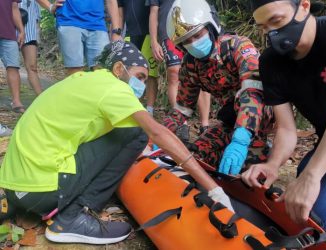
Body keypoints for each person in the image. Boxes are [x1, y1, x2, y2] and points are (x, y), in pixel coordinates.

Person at [0, 41, 233, 245]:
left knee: (127, 133)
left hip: (16, 184)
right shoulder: (114, 88)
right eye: (140, 76)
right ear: (119, 69)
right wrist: (212, 187)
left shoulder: (84, 80)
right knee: (137, 133)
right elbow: (156, 132)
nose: (141, 85)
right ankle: (73, 217)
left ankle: (15, 203)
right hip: (43, 189)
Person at [242, 0, 326, 230]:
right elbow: (286, 129)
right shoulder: (271, 62)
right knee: (302, 211)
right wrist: (273, 164)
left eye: (276, 20)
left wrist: (313, 174)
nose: (271, 32)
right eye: (263, 26)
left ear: (303, 6)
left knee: (315, 206)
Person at [165, 0, 273, 174]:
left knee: (249, 175)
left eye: (197, 35)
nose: (193, 43)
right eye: (186, 41)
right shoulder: (190, 66)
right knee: (196, 155)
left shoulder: (237, 46)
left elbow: (254, 92)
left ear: (211, 27)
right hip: (230, 118)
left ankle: (259, 145)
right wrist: (160, 133)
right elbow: (182, 108)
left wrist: (241, 139)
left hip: (259, 114)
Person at [148, 0, 211, 132]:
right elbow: (154, 12)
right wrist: (154, 41)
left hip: (194, 27)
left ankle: (205, 124)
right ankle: (183, 124)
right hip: (169, 32)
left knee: (201, 70)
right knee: (174, 72)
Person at [36, 0, 122, 76]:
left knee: (102, 71)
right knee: (75, 72)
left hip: (98, 24)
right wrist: (50, 7)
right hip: (69, 21)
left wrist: (116, 31)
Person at [117, 0, 160, 116]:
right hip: (129, 35)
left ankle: (149, 109)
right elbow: (120, 15)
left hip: (149, 34)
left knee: (151, 74)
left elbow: (155, 10)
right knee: (127, 73)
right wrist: (117, 35)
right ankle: (132, 105)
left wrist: (155, 39)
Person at [0, 0, 25, 113]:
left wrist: (21, 30)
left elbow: (14, 7)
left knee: (13, 66)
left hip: (8, 33)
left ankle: (16, 101)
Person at [19, 0, 42, 96]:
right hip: (9, 30)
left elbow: (37, 16)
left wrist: (37, 35)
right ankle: (16, 101)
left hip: (29, 31)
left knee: (32, 67)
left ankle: (41, 97)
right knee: (12, 67)